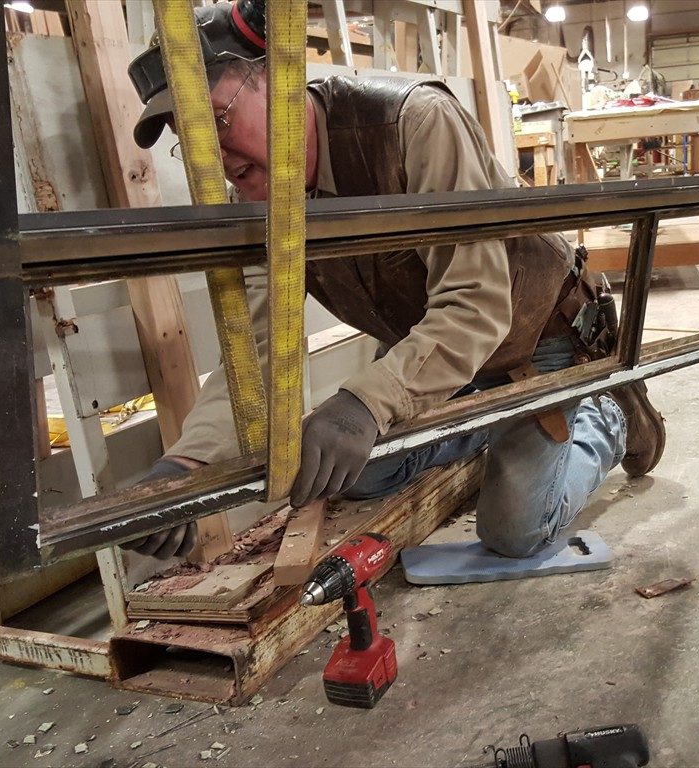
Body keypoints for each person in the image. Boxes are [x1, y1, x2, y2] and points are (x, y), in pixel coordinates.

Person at [123, 1, 665, 561]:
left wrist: (363, 404)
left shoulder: (413, 122)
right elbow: (257, 343)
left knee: (516, 530)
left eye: (217, 119)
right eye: (190, 141)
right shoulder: (261, 203)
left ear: (275, 80)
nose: (214, 156)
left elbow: (476, 307)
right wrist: (188, 463)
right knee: (349, 473)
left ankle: (605, 409)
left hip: (534, 341)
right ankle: (485, 430)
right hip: (438, 357)